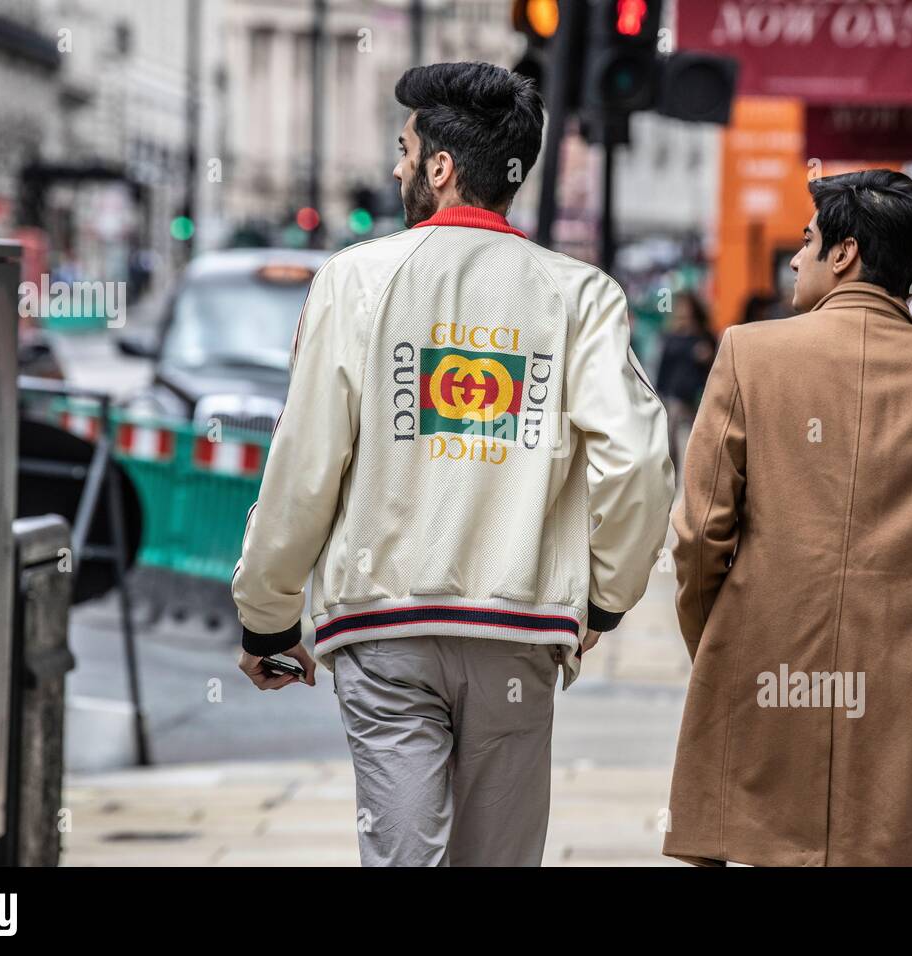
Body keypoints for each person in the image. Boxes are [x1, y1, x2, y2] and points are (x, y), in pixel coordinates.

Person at [232, 62, 674, 867]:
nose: (398, 167)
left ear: (440, 167)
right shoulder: (582, 297)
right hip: (520, 631)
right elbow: (641, 465)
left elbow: (303, 469)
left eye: (406, 151)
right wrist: (602, 602)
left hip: (385, 628)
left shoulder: (354, 281)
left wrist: (267, 614)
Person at [664, 169, 912, 867]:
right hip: (910, 690)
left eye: (807, 241)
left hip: (766, 674)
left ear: (844, 255)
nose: (794, 258)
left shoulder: (749, 355)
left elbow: (697, 539)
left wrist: (722, 642)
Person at [655, 291, 717, 472]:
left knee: (696, 437)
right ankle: (672, 476)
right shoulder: (671, 335)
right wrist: (658, 391)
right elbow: (664, 366)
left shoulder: (704, 336)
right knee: (671, 436)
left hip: (697, 394)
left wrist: (706, 355)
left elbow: (714, 364)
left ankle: (696, 472)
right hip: (674, 393)